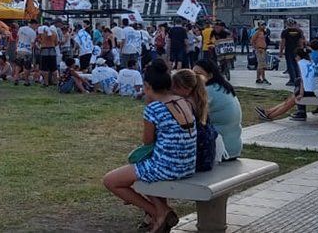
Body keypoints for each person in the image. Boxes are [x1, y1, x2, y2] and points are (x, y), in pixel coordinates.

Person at [102, 60, 197, 233]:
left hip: (168, 167)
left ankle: (160, 212)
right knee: (142, 169)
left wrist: (148, 105)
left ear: (147, 86)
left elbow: (147, 141)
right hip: (188, 164)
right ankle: (161, 214)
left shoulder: (154, 108)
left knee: (111, 181)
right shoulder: (183, 101)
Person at [193, 59, 242, 159]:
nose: (194, 77)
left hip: (222, 151)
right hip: (234, 148)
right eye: (192, 73)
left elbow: (191, 114)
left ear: (210, 76)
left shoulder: (208, 91)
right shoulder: (222, 87)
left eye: (198, 74)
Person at [280, 19, 305, 87]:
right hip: (297, 50)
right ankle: (298, 78)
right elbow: (301, 41)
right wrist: (301, 50)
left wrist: (281, 51)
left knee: (290, 65)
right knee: (296, 64)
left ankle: (292, 80)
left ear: (287, 24)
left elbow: (283, 42)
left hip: (289, 50)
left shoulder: (285, 32)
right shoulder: (299, 31)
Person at [37, 19, 61, 86]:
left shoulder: (42, 32)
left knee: (45, 68)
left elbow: (38, 40)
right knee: (54, 68)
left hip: (44, 49)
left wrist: (42, 42)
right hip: (52, 49)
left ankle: (46, 83)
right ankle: (56, 82)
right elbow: (57, 43)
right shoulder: (54, 33)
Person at [15, 18, 38, 85]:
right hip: (27, 51)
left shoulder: (21, 28)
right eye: (36, 25)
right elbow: (32, 43)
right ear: (33, 24)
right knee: (26, 66)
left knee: (18, 65)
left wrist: (16, 48)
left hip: (19, 49)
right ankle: (26, 81)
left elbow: (17, 38)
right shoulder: (33, 32)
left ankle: (16, 78)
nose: (36, 27)